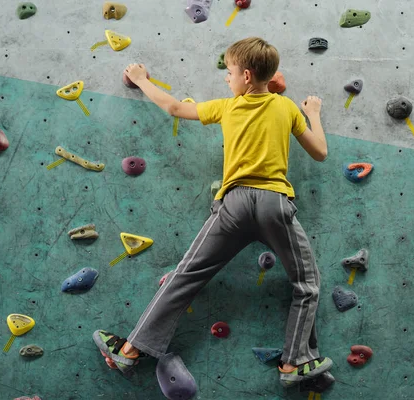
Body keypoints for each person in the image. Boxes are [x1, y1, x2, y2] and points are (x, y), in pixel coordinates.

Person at [93, 37, 331, 388]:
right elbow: (321, 152)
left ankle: (129, 351)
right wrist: (312, 113)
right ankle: (295, 362)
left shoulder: (228, 107)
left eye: (230, 72)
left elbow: (174, 108)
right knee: (307, 285)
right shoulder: (287, 109)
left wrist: (142, 79)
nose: (226, 78)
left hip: (233, 204)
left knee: (186, 275)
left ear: (246, 76)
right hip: (273, 203)